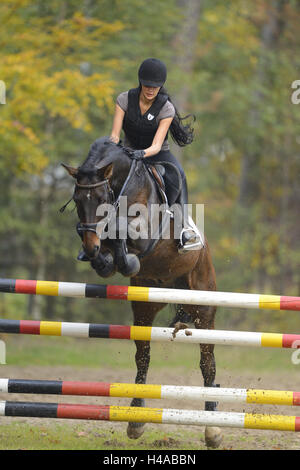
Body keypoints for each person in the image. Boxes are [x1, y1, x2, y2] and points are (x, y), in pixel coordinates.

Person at [110, 58, 203, 253]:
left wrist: (141, 153)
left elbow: (156, 145)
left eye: (156, 86)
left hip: (156, 153)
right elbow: (114, 135)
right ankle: (95, 229)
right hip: (128, 150)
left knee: (178, 174)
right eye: (148, 85)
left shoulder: (166, 108)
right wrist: (111, 151)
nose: (151, 90)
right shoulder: (124, 99)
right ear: (140, 82)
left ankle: (184, 227)